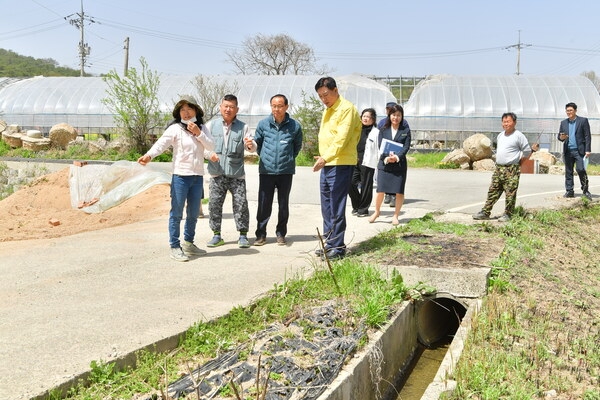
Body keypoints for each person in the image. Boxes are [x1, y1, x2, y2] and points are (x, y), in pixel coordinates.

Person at [137, 95, 214, 262]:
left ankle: (188, 243)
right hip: (180, 176)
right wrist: (149, 156)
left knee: (193, 213)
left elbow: (211, 146)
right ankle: (174, 246)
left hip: (197, 176)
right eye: (182, 110)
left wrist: (198, 133)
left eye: (189, 109)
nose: (186, 113)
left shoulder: (202, 128)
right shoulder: (175, 129)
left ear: (196, 110)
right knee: (177, 213)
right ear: (178, 113)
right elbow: (161, 144)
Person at [313, 77, 362, 260]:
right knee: (326, 205)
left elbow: (342, 139)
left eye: (326, 94)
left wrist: (326, 156)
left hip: (340, 164)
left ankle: (338, 247)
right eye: (320, 96)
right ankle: (329, 242)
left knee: (336, 205)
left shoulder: (346, 108)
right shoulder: (329, 110)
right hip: (328, 162)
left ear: (335, 90)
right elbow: (328, 136)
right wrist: (324, 156)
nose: (324, 99)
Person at [245, 94, 303, 246]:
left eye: (279, 106)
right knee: (264, 204)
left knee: (283, 204)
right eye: (273, 106)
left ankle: (281, 233)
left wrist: (288, 159)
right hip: (266, 171)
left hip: (286, 171)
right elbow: (257, 144)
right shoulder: (263, 124)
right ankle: (261, 234)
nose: (276, 109)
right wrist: (253, 147)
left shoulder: (295, 126)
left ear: (286, 107)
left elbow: (296, 147)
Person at [204, 94, 252, 248]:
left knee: (241, 204)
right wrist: (209, 155)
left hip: (237, 173)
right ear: (220, 108)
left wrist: (251, 145)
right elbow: (202, 147)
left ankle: (243, 235)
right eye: (226, 106)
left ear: (236, 109)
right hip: (217, 173)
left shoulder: (243, 127)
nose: (228, 109)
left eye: (232, 107)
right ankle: (216, 235)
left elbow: (251, 146)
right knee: (214, 204)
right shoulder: (211, 126)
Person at [473, 112, 539, 222]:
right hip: (499, 168)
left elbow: (527, 151)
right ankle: (485, 212)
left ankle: (508, 214)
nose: (506, 124)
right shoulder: (500, 135)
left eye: (508, 121)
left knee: (510, 193)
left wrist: (519, 162)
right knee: (493, 190)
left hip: (511, 169)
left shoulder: (518, 135)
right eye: (504, 122)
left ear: (514, 122)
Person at [368, 104, 411, 226]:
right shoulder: (383, 130)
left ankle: (396, 215)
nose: (396, 118)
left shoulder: (405, 131)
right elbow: (380, 146)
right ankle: (376, 212)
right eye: (393, 115)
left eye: (398, 115)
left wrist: (396, 157)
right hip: (385, 164)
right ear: (389, 115)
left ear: (402, 116)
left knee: (399, 191)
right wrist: (387, 157)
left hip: (399, 165)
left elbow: (406, 147)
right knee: (380, 190)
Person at [558, 102, 592, 200]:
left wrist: (588, 150)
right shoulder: (563, 123)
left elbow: (587, 136)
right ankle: (569, 191)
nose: (569, 112)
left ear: (575, 111)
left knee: (581, 169)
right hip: (568, 150)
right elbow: (559, 137)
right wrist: (562, 137)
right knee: (568, 171)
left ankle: (585, 190)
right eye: (567, 110)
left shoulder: (583, 121)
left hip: (579, 151)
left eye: (571, 110)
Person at [348, 108, 379, 217]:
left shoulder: (376, 132)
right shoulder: (356, 129)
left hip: (368, 161)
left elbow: (378, 148)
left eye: (368, 117)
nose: (365, 118)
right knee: (350, 182)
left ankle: (363, 209)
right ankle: (356, 205)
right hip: (354, 160)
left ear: (373, 119)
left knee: (366, 186)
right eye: (364, 116)